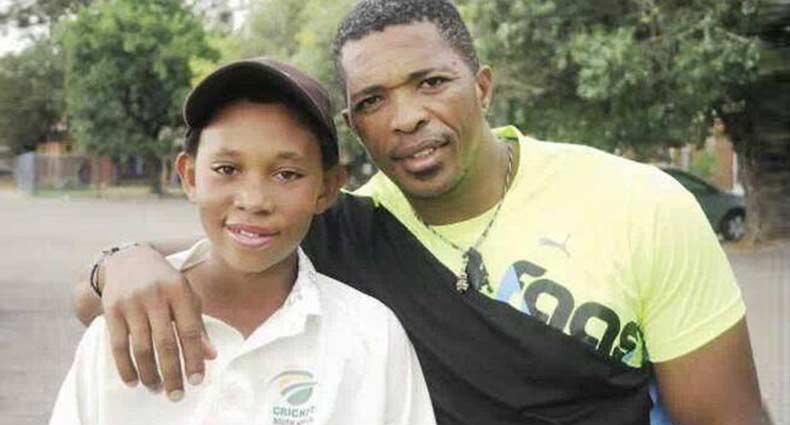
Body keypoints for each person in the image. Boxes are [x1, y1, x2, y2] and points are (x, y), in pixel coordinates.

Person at [73, 1, 764, 424]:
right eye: (373, 101)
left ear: (482, 86)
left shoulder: (638, 205)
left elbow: (727, 417)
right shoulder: (346, 227)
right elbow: (197, 261)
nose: (406, 117)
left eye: (431, 82)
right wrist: (120, 262)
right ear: (353, 127)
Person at [52, 57, 435, 425]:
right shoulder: (125, 324)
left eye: (287, 174)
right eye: (227, 169)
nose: (253, 201)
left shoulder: (372, 336)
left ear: (327, 188)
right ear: (189, 176)